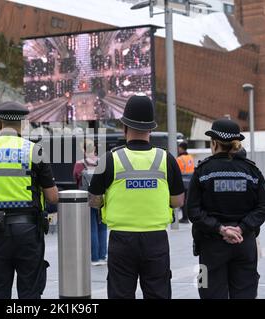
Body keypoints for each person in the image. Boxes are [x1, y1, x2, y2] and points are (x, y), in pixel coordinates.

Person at [88, 95, 185, 299]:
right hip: (156, 239)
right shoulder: (166, 158)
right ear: (151, 129)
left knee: (120, 294)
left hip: (121, 240)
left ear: (124, 126)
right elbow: (178, 201)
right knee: (158, 293)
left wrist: (107, 201)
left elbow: (94, 200)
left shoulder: (110, 159)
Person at [0, 101, 58, 299]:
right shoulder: (35, 151)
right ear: (23, 124)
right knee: (30, 294)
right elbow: (52, 197)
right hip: (29, 234)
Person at [186, 118, 265, 299]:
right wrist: (241, 228)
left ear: (215, 142)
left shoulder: (203, 171)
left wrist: (221, 229)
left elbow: (193, 211)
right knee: (245, 293)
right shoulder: (251, 171)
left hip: (210, 247)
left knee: (209, 292)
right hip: (244, 243)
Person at [73, 138, 107, 266]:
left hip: (87, 197)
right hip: (101, 197)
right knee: (103, 226)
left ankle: (94, 258)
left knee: (91, 227)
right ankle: (103, 256)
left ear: (83, 149)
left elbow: (76, 178)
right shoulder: (102, 162)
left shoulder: (79, 164)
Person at [176, 141, 195, 223]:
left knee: (182, 201)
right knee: (187, 200)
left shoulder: (179, 159)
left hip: (182, 181)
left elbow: (176, 171)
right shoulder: (190, 157)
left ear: (181, 148)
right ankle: (186, 217)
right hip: (190, 181)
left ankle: (184, 218)